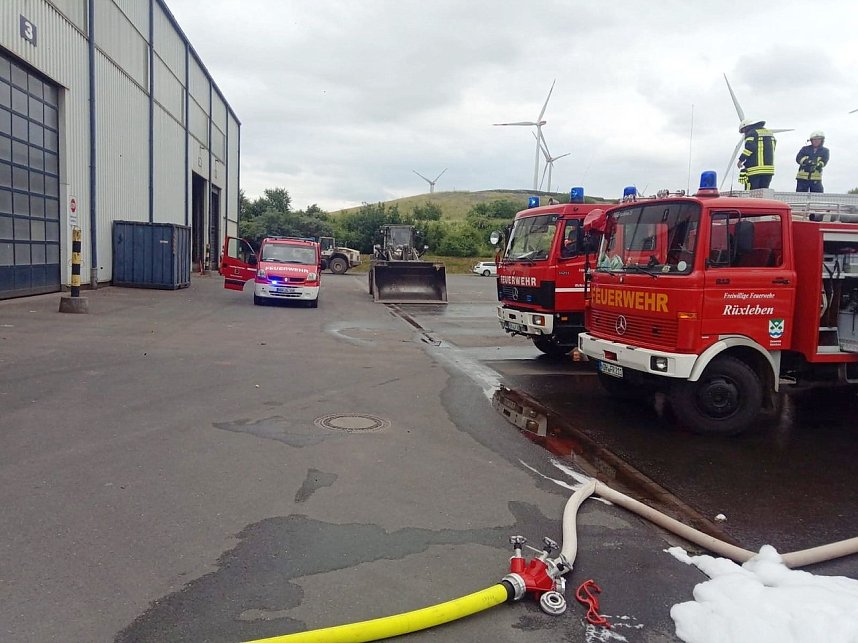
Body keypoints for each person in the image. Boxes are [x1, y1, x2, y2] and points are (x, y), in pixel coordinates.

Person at [737, 119, 776, 189]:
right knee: (763, 193)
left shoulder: (752, 133)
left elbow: (750, 148)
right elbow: (773, 146)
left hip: (754, 170)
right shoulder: (769, 133)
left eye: (743, 131)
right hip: (769, 170)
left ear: (746, 127)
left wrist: (740, 160)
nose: (744, 133)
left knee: (750, 194)